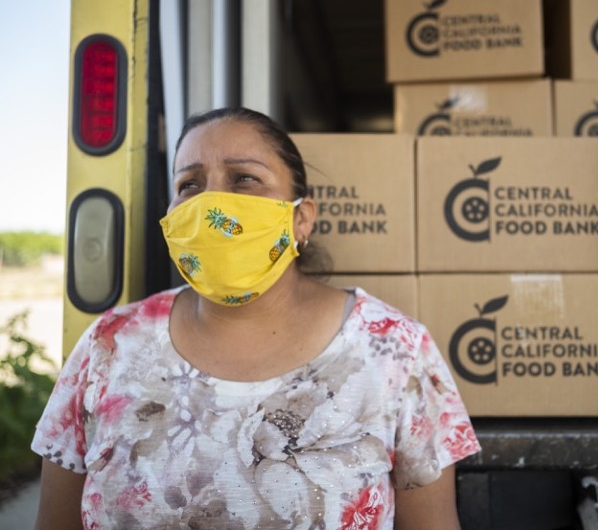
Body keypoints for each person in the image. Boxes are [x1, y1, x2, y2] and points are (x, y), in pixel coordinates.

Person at [32, 107, 481, 529]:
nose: (212, 203)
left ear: (300, 219)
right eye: (189, 184)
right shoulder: (110, 343)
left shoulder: (396, 351)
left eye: (244, 178)